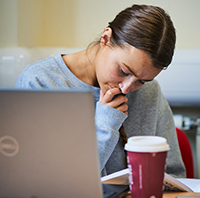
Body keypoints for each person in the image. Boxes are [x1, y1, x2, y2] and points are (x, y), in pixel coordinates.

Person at [16, 4, 186, 178]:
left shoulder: (150, 92)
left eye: (141, 81)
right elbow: (53, 181)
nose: (126, 88)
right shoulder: (40, 82)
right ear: (105, 39)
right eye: (124, 71)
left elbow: (173, 175)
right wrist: (106, 123)